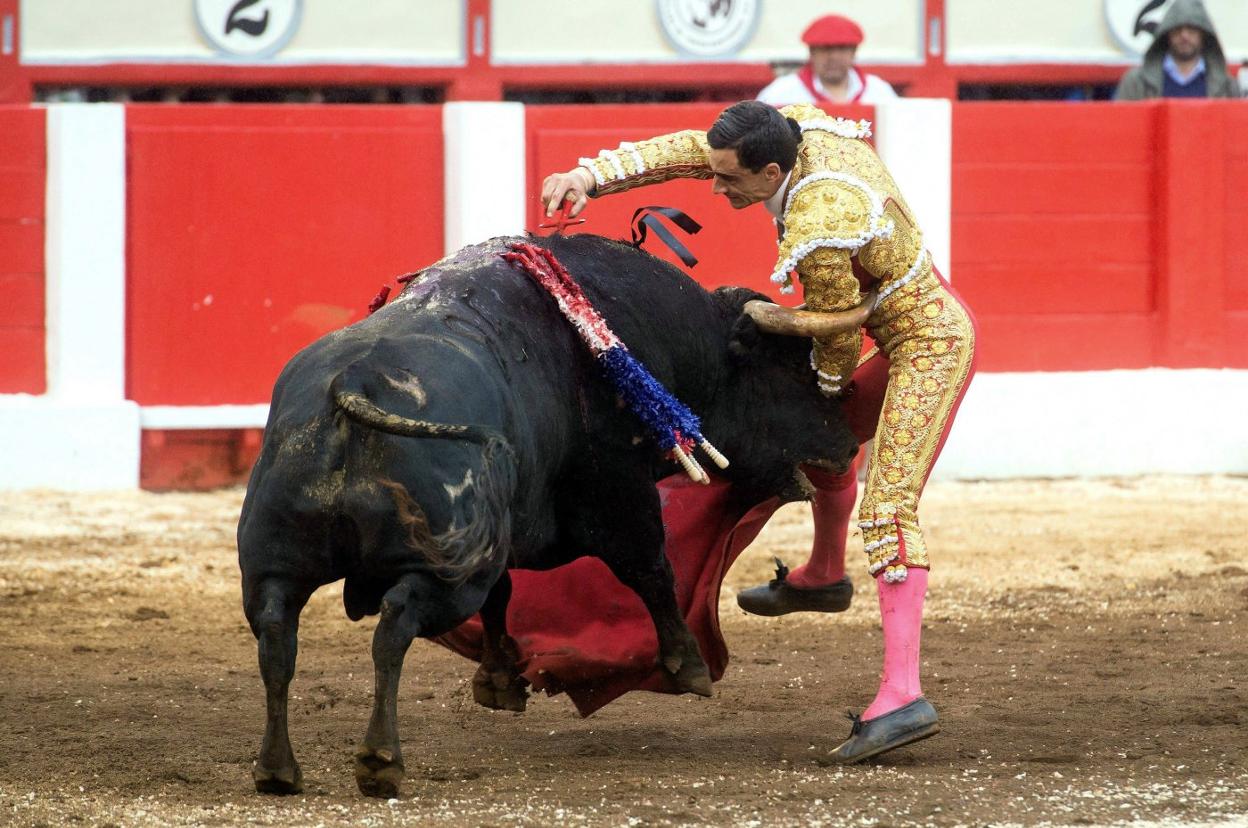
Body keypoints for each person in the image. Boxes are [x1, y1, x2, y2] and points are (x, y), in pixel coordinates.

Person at [540, 100, 976, 763]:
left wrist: (801, 371)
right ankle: (825, 574)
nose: (717, 189)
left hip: (929, 340)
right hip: (884, 317)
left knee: (887, 509)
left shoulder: (822, 217)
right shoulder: (794, 132)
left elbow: (835, 335)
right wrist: (591, 177)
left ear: (772, 170)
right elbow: (696, 147)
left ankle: (903, 694)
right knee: (819, 444)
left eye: (732, 181)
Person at [757, 14, 898, 106]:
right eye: (826, 49)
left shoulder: (879, 91)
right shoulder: (781, 93)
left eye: (842, 49)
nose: (833, 57)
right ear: (811, 53)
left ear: (854, 52)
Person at [1114, 0, 1237, 100]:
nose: (1184, 36)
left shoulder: (1227, 87)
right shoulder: (1136, 83)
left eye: (1192, 29)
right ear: (1167, 33)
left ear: (1203, 34)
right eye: (1177, 29)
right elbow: (1122, 127)